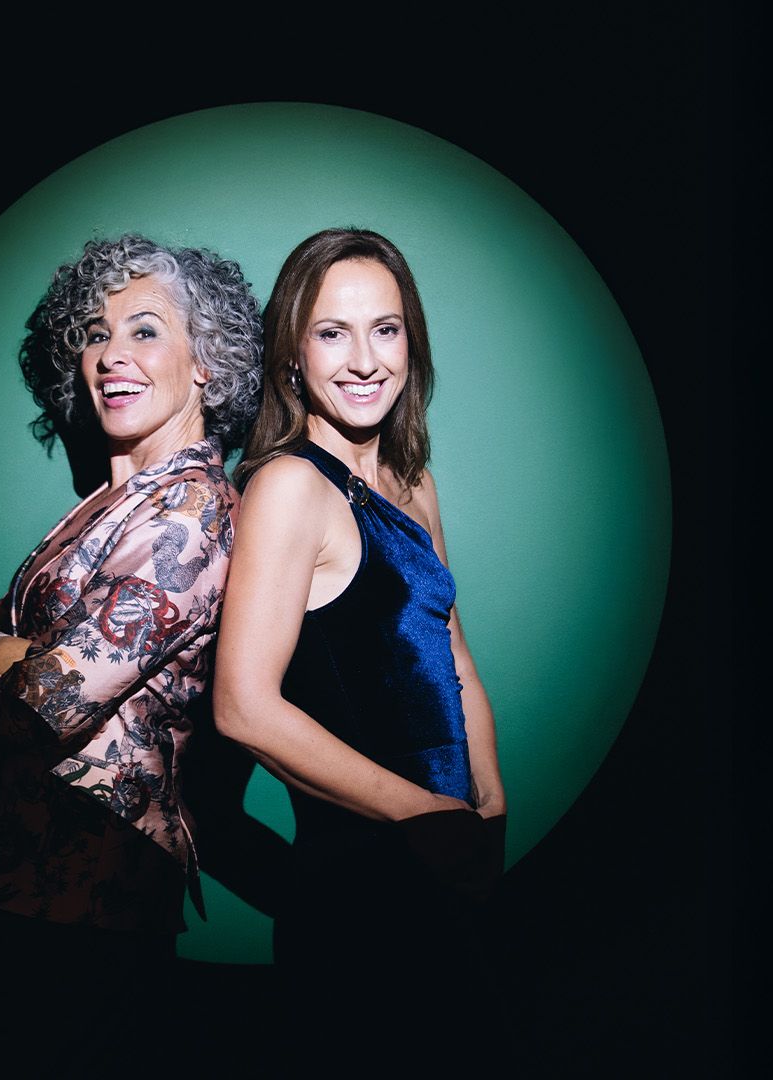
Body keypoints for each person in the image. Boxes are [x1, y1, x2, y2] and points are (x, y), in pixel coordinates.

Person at [0, 234, 261, 1070]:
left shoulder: (190, 513)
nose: (111, 356)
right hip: (2, 884)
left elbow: (45, 706)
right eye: (95, 335)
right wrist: (0, 655)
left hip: (92, 902)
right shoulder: (104, 504)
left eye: (145, 330)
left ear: (206, 362)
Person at [212, 227, 507, 1069]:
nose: (366, 360)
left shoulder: (414, 482)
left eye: (386, 329)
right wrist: (425, 817)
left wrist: (490, 811)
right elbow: (242, 708)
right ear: (292, 356)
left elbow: (456, 660)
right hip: (357, 895)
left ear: (412, 342)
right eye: (332, 333)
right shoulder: (287, 487)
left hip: (450, 871)